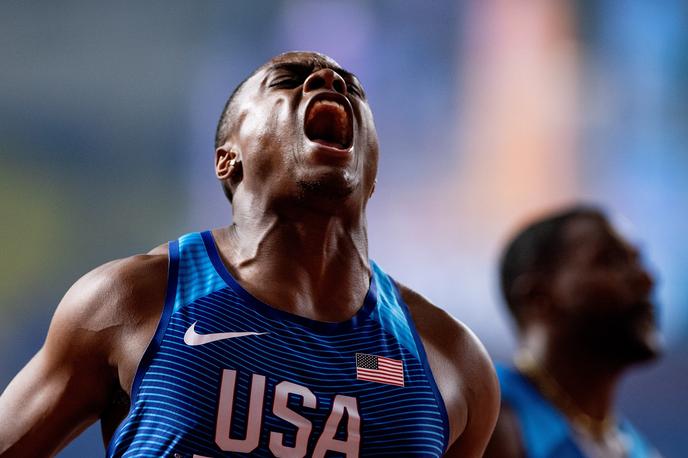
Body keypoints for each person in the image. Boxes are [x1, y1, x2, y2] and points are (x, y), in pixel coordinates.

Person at [0, 51, 499, 457]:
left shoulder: (451, 359)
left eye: (353, 87)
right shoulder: (130, 300)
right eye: (287, 80)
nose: (328, 79)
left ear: (372, 171)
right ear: (227, 158)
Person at [485, 206, 663, 458]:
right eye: (611, 260)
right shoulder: (486, 421)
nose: (647, 278)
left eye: (637, 260)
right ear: (538, 298)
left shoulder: (639, 450)